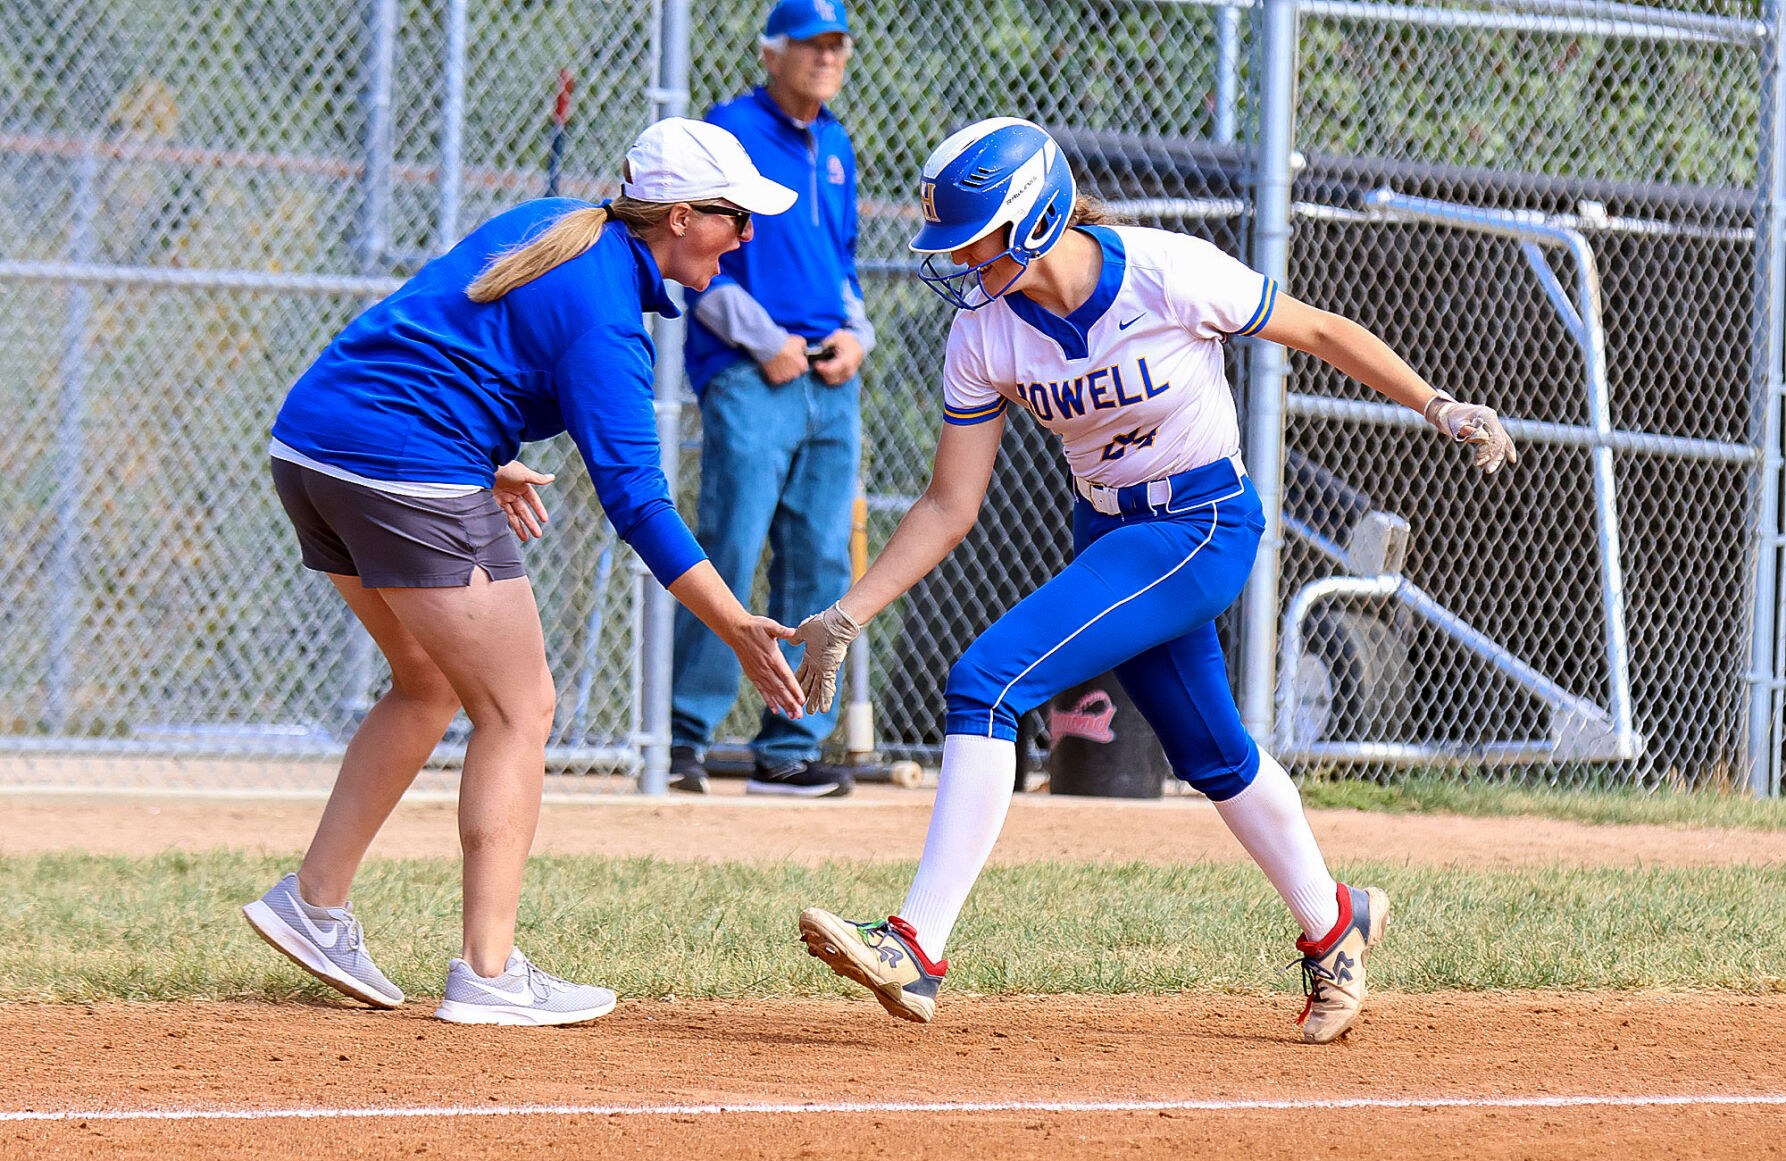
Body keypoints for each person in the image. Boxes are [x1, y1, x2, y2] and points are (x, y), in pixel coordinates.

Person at [791, 118, 1516, 1043]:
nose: (959, 261)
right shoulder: (984, 330)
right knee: (1210, 751)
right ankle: (1336, 922)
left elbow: (1322, 329)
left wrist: (1439, 405)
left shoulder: (1164, 270)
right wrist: (849, 614)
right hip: (1109, 531)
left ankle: (917, 945)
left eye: (973, 238)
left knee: (987, 678)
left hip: (1202, 521)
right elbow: (949, 500)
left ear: (1037, 220)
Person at [241, 118, 806, 1027]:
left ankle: (312, 900)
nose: (747, 238)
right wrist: (734, 621)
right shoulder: (607, 318)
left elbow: (445, 336)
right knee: (521, 705)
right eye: (735, 219)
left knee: (426, 684)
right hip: (402, 466)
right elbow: (638, 501)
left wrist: (485, 451)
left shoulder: (557, 221)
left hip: (312, 445)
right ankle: (489, 971)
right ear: (679, 217)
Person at [668, 0, 874, 798]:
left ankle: (790, 744)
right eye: (811, 45)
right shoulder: (728, 131)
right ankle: (685, 734)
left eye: (837, 44)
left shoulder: (837, 141)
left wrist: (858, 334)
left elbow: (847, 261)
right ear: (772, 52)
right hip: (758, 371)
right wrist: (766, 343)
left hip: (831, 374)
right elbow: (696, 260)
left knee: (821, 558)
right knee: (728, 546)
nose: (827, 57)